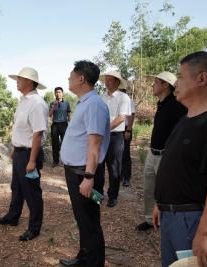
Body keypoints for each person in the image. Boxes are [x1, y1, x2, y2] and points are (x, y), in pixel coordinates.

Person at [152, 51, 207, 267]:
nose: (177, 82)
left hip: (194, 220)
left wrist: (205, 232)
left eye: (181, 77)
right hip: (172, 215)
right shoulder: (187, 118)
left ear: (201, 78)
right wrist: (161, 203)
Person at [59, 60, 110, 267]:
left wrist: (89, 177)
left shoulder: (94, 105)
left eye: (71, 76)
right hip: (76, 171)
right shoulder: (84, 103)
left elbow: (95, 145)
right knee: (83, 220)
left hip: (84, 173)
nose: (68, 79)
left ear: (81, 79)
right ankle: (84, 258)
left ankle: (94, 263)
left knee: (90, 223)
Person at [0, 67, 48, 241]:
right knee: (16, 187)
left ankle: (34, 228)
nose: (17, 80)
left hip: (29, 154)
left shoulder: (37, 103)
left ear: (30, 82)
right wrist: (14, 149)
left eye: (20, 78)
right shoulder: (23, 101)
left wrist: (32, 160)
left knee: (32, 192)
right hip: (20, 152)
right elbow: (21, 129)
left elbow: (38, 133)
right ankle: (13, 216)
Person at [136, 72, 187, 231]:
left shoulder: (178, 106)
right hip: (153, 153)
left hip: (167, 156)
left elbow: (182, 133)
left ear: (166, 85)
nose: (152, 85)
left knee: (166, 191)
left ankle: (166, 223)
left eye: (156, 82)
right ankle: (150, 220)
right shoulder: (161, 103)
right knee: (149, 188)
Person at [100, 71, 131, 207]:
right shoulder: (101, 98)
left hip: (115, 136)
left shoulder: (123, 97)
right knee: (98, 166)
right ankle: (98, 194)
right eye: (106, 80)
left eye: (111, 80)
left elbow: (122, 118)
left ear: (118, 82)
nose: (108, 82)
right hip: (101, 136)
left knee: (114, 167)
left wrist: (105, 129)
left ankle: (113, 196)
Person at [49, 87, 71, 167]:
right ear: (54, 93)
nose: (58, 94)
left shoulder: (66, 103)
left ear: (62, 93)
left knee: (65, 143)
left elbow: (69, 114)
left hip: (64, 124)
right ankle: (55, 161)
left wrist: (71, 124)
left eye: (59, 92)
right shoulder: (52, 103)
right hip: (55, 125)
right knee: (55, 144)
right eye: (56, 92)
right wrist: (54, 107)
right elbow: (50, 115)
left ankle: (65, 161)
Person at [119, 87, 135, 187]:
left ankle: (127, 178)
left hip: (126, 129)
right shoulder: (117, 101)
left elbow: (132, 116)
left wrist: (128, 130)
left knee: (125, 153)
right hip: (118, 129)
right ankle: (120, 175)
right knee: (118, 153)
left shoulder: (129, 101)